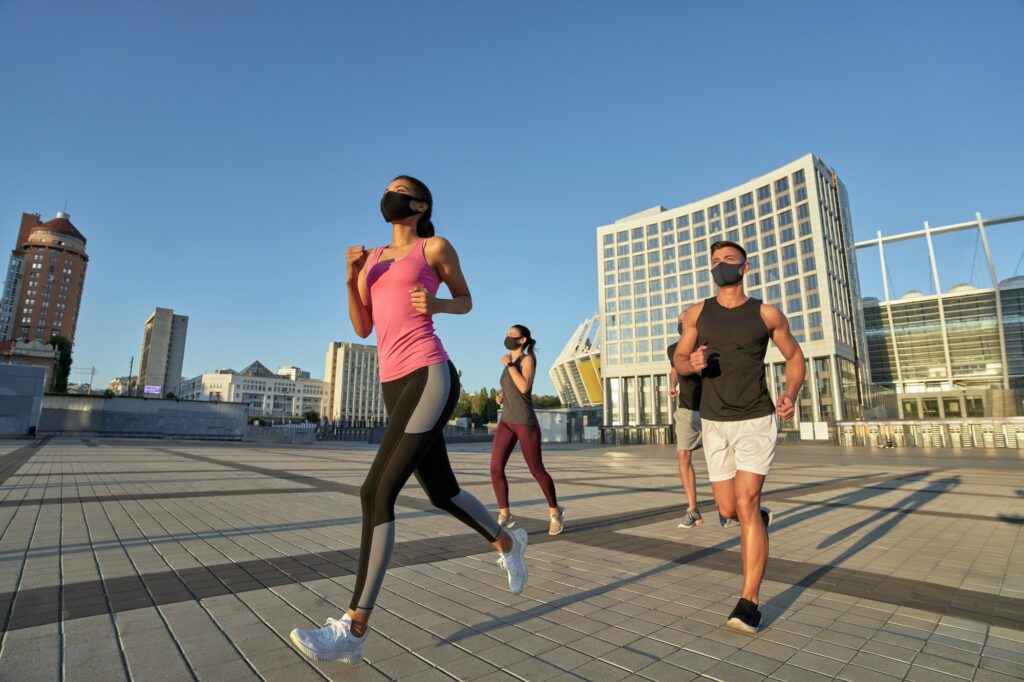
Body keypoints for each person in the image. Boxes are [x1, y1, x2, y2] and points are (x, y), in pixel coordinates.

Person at [289, 176, 528, 663]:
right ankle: (507, 542)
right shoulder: (372, 259)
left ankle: (354, 628)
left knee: (375, 492)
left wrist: (437, 302)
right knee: (442, 491)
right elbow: (362, 325)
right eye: (387, 189)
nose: (389, 195)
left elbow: (465, 298)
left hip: (429, 373)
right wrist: (349, 276)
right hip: (391, 383)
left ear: (419, 205)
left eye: (399, 190)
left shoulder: (433, 247)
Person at [674, 240, 805, 636]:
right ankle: (756, 522)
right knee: (729, 509)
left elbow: (795, 357)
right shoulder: (697, 313)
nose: (721, 266)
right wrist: (690, 362)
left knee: (747, 502)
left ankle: (749, 601)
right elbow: (679, 357)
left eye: (728, 261)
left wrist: (791, 395)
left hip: (756, 419)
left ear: (745, 267)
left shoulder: (765, 314)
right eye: (714, 261)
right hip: (714, 422)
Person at [490, 325, 565, 535]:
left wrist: (509, 364)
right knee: (495, 468)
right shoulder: (510, 363)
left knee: (536, 470)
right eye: (506, 334)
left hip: (524, 421)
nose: (507, 337)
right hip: (506, 420)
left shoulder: (526, 359)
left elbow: (524, 387)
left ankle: (555, 512)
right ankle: (505, 514)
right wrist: (501, 397)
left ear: (522, 340)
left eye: (511, 335)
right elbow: (513, 388)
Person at [667, 317, 703, 529]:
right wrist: (673, 385)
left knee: (725, 457)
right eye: (680, 319)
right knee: (683, 455)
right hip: (686, 409)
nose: (681, 321)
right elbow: (674, 367)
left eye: (685, 318)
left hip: (712, 409)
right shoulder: (672, 348)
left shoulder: (705, 345)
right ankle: (692, 509)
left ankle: (730, 508)